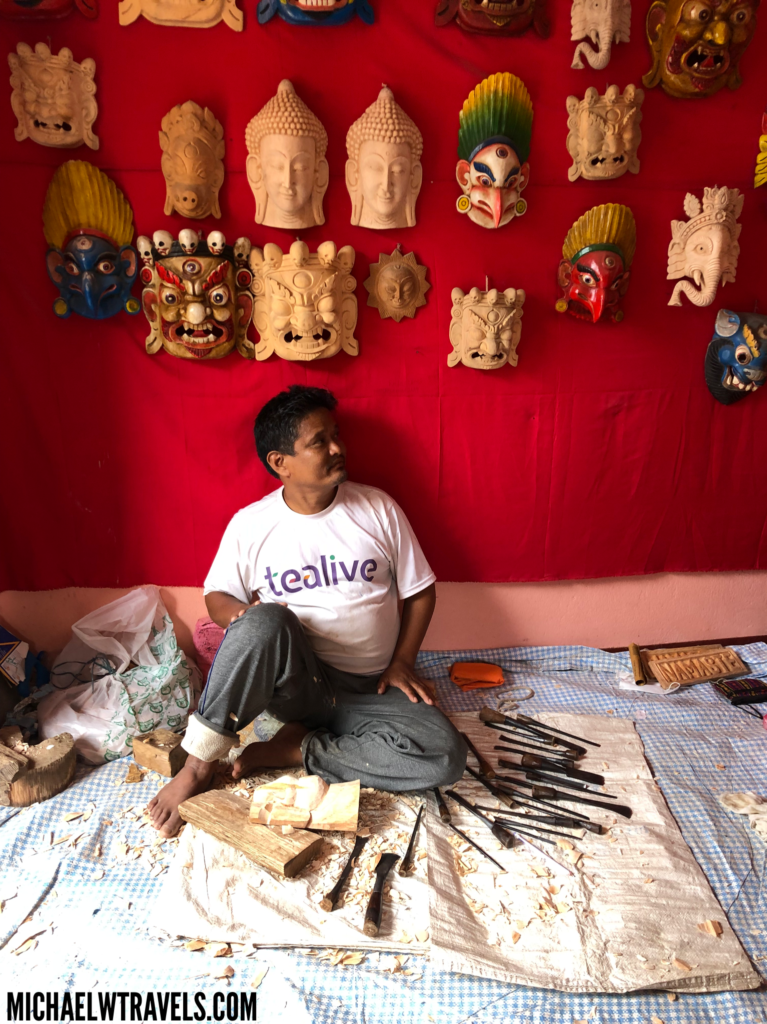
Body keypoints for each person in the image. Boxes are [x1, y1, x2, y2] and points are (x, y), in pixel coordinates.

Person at [149, 385, 467, 837]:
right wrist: (245, 618)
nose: (338, 448)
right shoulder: (251, 525)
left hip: (372, 688)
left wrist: (401, 662)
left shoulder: (378, 508)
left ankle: (300, 748)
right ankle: (198, 766)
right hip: (299, 685)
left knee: (445, 756)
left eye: (336, 435)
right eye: (320, 441)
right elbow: (216, 597)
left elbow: (420, 592)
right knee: (265, 619)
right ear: (280, 462)